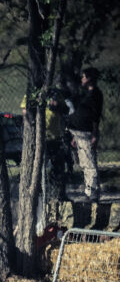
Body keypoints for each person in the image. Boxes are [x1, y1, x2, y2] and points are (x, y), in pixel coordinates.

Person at [21, 89, 70, 199]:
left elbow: (66, 109)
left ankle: (59, 194)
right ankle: (38, 194)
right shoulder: (32, 93)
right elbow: (25, 112)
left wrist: (57, 105)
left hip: (55, 138)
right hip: (39, 139)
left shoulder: (55, 92)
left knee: (58, 167)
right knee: (38, 168)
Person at [67, 67, 103, 202]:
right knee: (83, 162)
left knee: (89, 162)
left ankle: (92, 192)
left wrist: (94, 134)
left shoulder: (95, 95)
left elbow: (95, 116)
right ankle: (88, 189)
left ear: (89, 78)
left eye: (83, 77)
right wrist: (74, 136)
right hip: (78, 133)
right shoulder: (85, 94)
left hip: (87, 133)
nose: (82, 79)